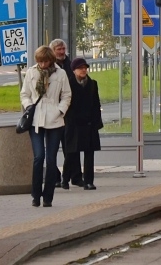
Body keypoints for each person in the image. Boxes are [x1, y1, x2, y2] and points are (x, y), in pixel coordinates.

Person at [19, 45, 72, 208]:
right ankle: (36, 194)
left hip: (54, 120)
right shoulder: (31, 72)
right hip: (35, 119)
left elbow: (67, 95)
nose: (43, 65)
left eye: (46, 61)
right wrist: (28, 106)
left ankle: (48, 197)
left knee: (51, 159)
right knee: (38, 157)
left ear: (51, 60)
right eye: (40, 61)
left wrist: (60, 111)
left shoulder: (60, 73)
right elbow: (25, 94)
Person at [64, 57, 102, 191]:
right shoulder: (68, 84)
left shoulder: (92, 84)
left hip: (89, 124)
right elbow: (66, 104)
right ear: (74, 70)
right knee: (72, 152)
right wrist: (68, 120)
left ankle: (89, 181)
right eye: (80, 68)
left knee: (89, 153)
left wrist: (97, 122)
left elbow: (96, 104)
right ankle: (66, 178)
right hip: (74, 124)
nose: (84, 70)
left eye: (85, 68)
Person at [49, 38, 79, 189]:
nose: (61, 52)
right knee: (52, 146)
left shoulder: (70, 65)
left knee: (71, 146)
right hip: (52, 112)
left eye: (63, 49)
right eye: (58, 50)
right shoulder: (48, 66)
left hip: (69, 111)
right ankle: (55, 177)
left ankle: (75, 176)